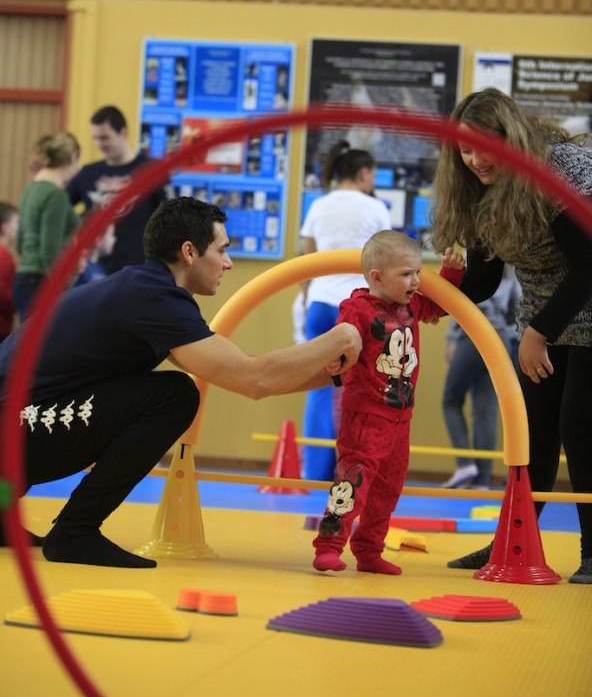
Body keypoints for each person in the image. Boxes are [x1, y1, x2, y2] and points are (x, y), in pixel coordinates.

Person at [0, 197, 362, 569]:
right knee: (175, 396)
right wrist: (339, 338)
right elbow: (254, 379)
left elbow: (252, 380)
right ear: (189, 251)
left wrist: (336, 375)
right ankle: (75, 532)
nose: (228, 262)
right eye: (222, 250)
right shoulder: (155, 300)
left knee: (153, 391)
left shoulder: (144, 291)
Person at [430, 87, 592, 584]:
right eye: (465, 149)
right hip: (548, 311)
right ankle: (513, 540)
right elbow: (485, 280)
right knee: (534, 429)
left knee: (579, 428)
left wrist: (538, 333)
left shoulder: (558, 169)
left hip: (580, 301)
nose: (476, 159)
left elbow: (588, 263)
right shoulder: (479, 187)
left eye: (486, 146)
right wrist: (440, 290)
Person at [312, 229, 465, 575]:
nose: (415, 281)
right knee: (352, 483)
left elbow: (440, 305)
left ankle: (369, 550)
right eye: (406, 274)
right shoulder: (357, 308)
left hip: (400, 420)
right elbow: (342, 338)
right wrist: (334, 357)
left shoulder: (413, 305)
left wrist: (451, 274)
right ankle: (329, 546)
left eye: (417, 273)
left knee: (388, 489)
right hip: (365, 415)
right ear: (377, 277)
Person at [299, 140, 391, 480]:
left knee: (319, 390)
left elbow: (307, 261)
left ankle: (314, 474)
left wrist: (304, 302)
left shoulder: (319, 205)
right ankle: (354, 471)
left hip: (320, 304)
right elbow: (388, 258)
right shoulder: (375, 208)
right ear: (365, 173)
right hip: (357, 310)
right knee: (365, 390)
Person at [440, 267, 521, 489]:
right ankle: (482, 480)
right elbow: (517, 313)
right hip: (502, 339)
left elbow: (461, 303)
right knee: (485, 411)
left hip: (475, 336)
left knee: (450, 401)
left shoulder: (477, 265)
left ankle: (465, 464)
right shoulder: (511, 271)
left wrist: (452, 339)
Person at [67, 105, 170, 274]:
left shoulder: (150, 170)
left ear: (123, 132)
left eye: (105, 138)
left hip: (138, 268)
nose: (99, 144)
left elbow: (169, 217)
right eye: (95, 138)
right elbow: (61, 207)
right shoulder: (87, 173)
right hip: (95, 271)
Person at [13, 132, 80, 322]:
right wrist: (66, 288)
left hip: (24, 278)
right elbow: (49, 251)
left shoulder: (30, 189)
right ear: (73, 158)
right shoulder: (55, 195)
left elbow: (20, 242)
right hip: (41, 282)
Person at [0, 203, 18, 342]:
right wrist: (16, 301)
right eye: (17, 223)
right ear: (5, 228)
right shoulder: (4, 256)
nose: (20, 229)